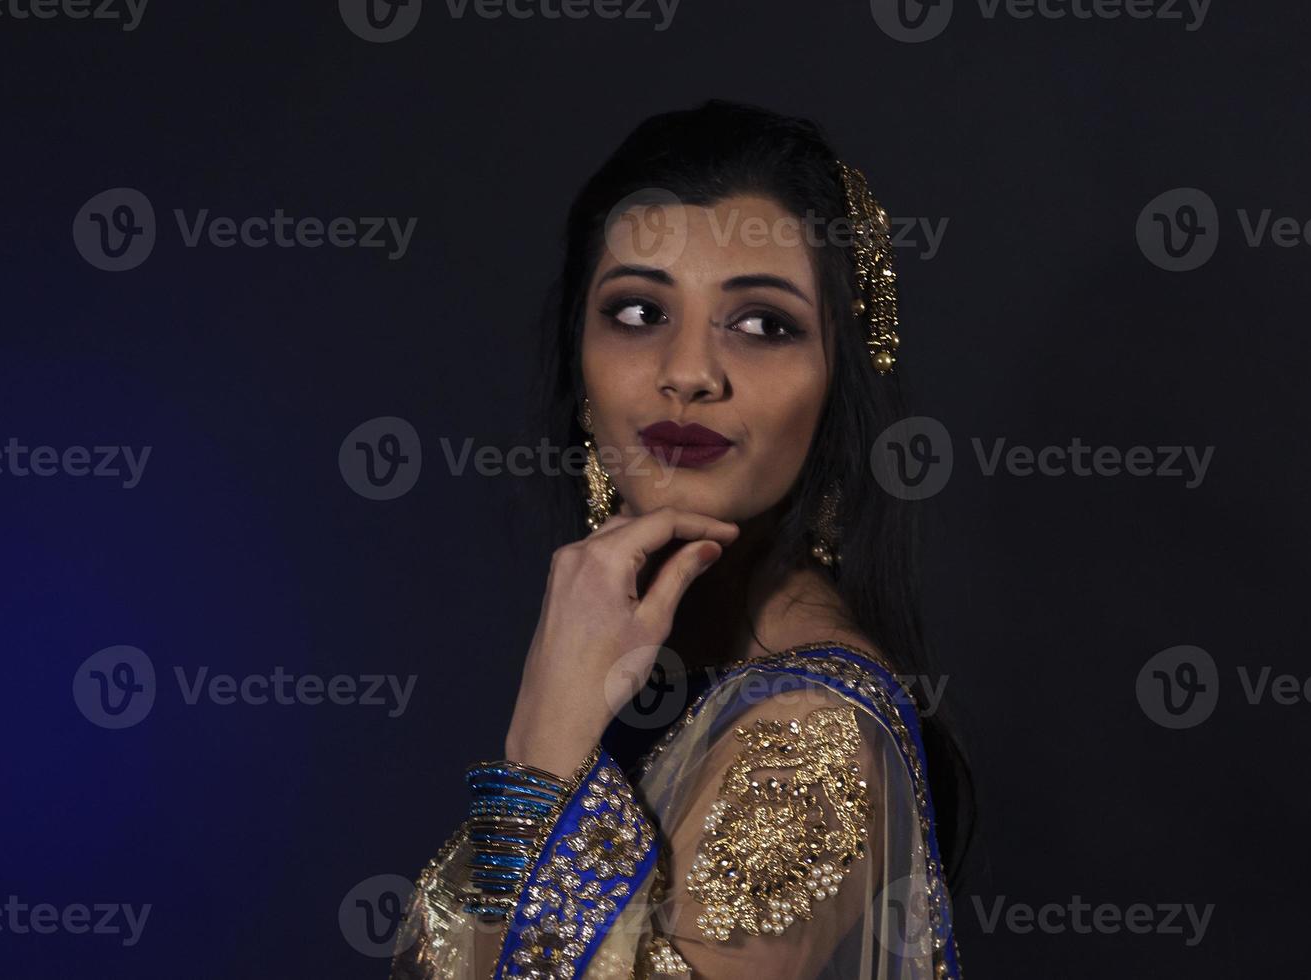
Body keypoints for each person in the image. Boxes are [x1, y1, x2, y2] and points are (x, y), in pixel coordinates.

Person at [390, 99, 974, 979]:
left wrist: (540, 757)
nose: (690, 373)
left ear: (835, 387)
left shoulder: (810, 732)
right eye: (637, 313)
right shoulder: (651, 668)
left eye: (764, 324)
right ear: (577, 366)